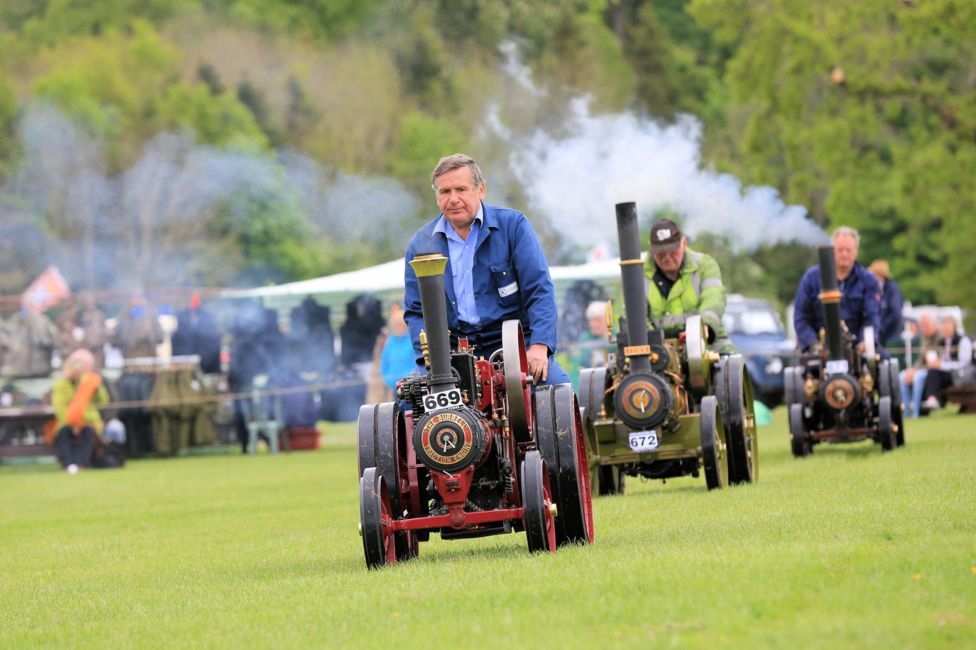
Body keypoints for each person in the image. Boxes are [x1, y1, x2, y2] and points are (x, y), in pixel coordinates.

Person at [404, 153, 569, 385]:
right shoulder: (421, 244)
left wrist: (539, 347)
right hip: (451, 352)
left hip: (512, 344)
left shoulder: (514, 227)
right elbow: (415, 311)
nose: (453, 199)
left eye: (461, 189)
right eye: (445, 191)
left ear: (481, 190)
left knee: (554, 391)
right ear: (437, 196)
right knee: (410, 404)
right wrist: (430, 361)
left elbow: (539, 291)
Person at [644, 218, 733, 353]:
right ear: (651, 248)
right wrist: (655, 345)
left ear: (684, 243)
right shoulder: (639, 275)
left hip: (708, 345)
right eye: (661, 251)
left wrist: (703, 326)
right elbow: (632, 317)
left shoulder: (705, 265)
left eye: (672, 250)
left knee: (730, 368)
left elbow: (714, 298)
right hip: (660, 352)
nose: (667, 256)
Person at [794, 226, 881, 353]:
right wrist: (812, 343)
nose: (844, 254)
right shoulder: (811, 279)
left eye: (848, 250)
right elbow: (801, 317)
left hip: (857, 349)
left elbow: (872, 317)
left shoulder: (868, 280)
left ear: (856, 251)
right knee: (802, 367)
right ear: (831, 251)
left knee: (884, 365)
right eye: (840, 250)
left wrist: (865, 343)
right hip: (819, 349)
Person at [51, 348, 112, 471]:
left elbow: (104, 402)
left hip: (89, 422)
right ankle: (67, 464)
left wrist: (98, 388)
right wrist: (74, 424)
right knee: (64, 433)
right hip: (67, 422)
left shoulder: (89, 383)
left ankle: (82, 464)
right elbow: (59, 408)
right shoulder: (61, 384)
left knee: (88, 432)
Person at [920, 316, 972, 411]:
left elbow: (965, 363)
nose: (945, 329)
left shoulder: (963, 341)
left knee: (933, 372)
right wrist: (937, 364)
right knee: (931, 372)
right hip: (948, 375)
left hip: (962, 375)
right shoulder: (942, 342)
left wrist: (942, 365)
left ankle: (933, 400)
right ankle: (930, 400)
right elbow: (943, 361)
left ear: (954, 327)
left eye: (948, 327)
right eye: (943, 327)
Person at [565, 301, 613, 390]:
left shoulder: (615, 339)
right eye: (591, 320)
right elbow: (577, 368)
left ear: (607, 320)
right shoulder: (584, 339)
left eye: (598, 320)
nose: (594, 324)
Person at [899, 311, 938, 418]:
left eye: (926, 325)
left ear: (933, 323)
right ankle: (905, 412)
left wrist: (915, 372)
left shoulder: (939, 338)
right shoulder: (924, 339)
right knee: (902, 376)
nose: (923, 329)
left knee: (918, 377)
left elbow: (934, 362)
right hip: (922, 369)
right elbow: (921, 360)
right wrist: (912, 370)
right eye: (922, 326)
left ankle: (916, 412)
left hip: (933, 372)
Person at [380, 303, 417, 394]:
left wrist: (410, 379)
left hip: (413, 387)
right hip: (395, 388)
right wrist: (388, 380)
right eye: (395, 325)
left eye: (400, 324)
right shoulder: (390, 342)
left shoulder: (412, 341)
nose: (398, 327)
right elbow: (384, 364)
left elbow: (417, 363)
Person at [867, 259, 904, 350]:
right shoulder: (877, 290)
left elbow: (895, 313)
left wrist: (881, 328)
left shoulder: (892, 289)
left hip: (892, 337)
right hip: (882, 337)